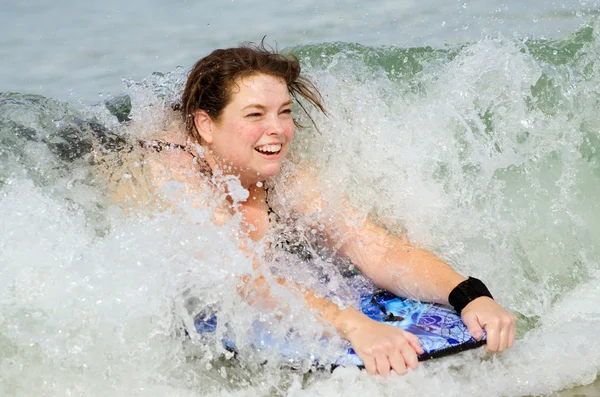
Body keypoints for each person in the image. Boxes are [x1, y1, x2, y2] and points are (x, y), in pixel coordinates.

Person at [120, 41, 516, 376]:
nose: (278, 129)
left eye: (285, 111)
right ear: (206, 126)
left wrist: (468, 294)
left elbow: (378, 249)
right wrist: (350, 323)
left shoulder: (287, 177)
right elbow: (243, 281)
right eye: (255, 114)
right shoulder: (175, 175)